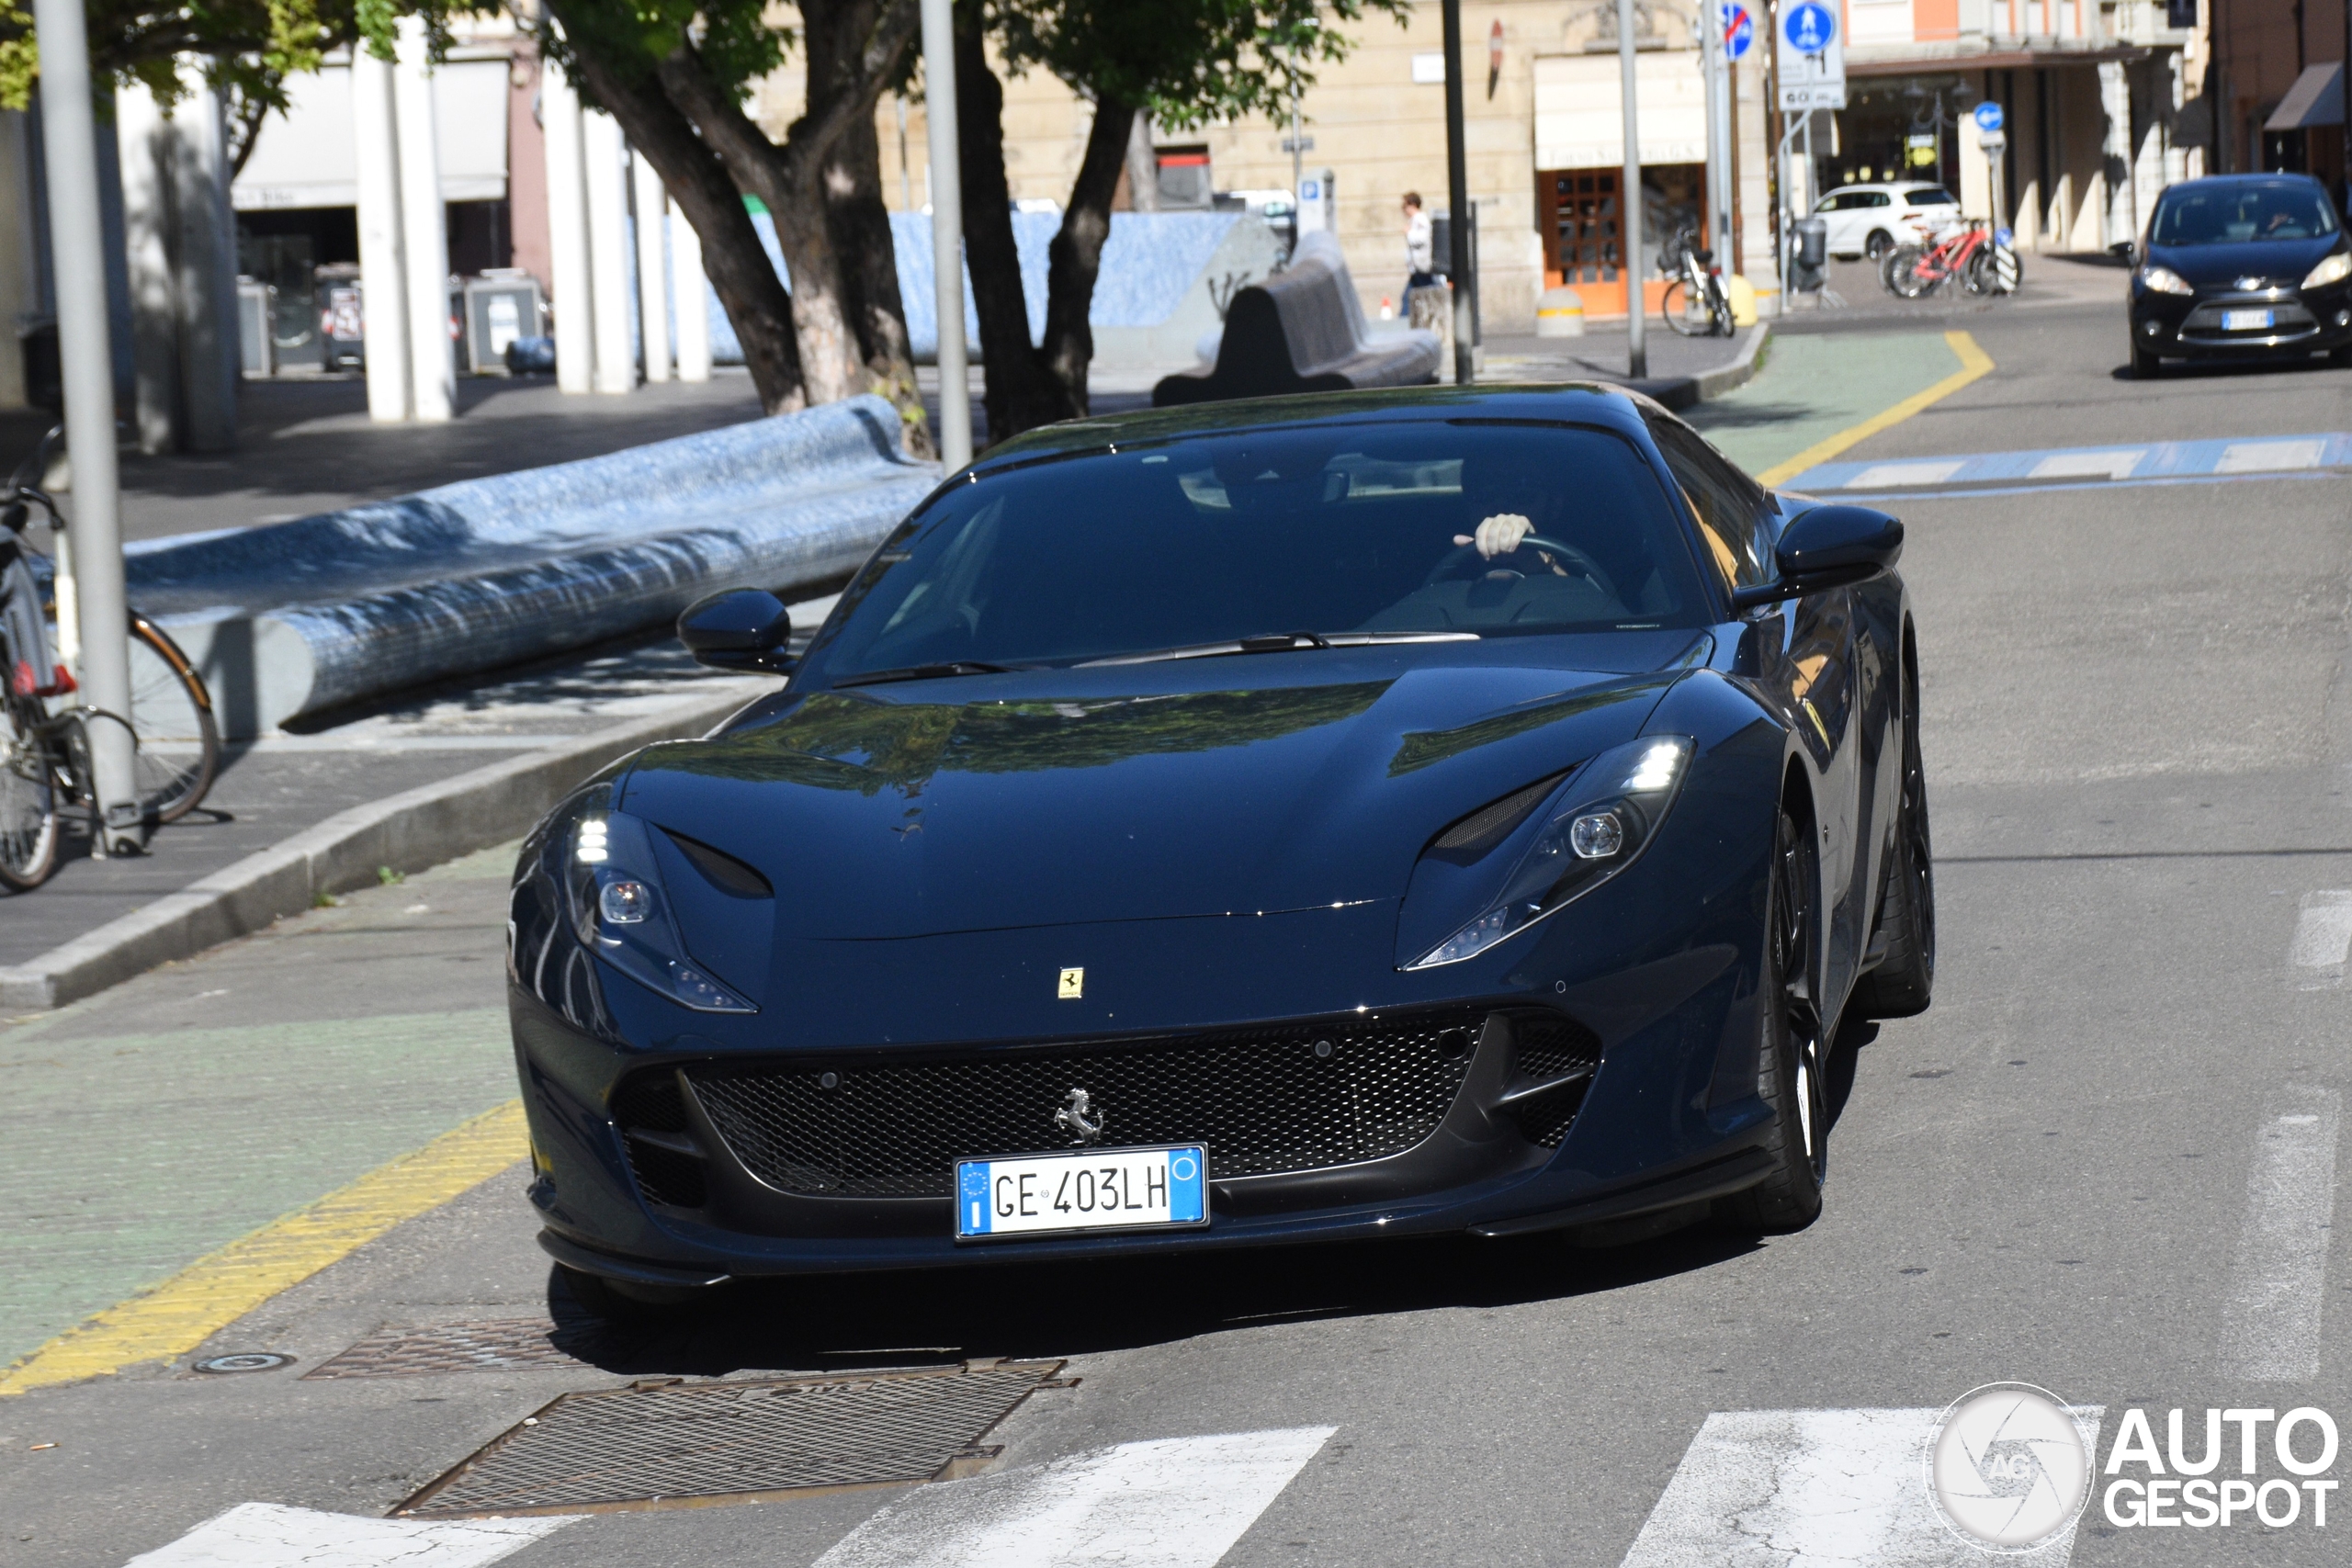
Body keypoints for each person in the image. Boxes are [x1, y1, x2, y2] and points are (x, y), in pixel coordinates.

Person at [1403, 193, 1436, 292]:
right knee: (1409, 295)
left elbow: (1423, 238)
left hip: (1421, 265)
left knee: (1429, 288)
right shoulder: (1415, 219)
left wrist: (1409, 233)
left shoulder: (1420, 219)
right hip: (1417, 266)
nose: (1404, 209)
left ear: (1413, 205)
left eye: (1405, 206)